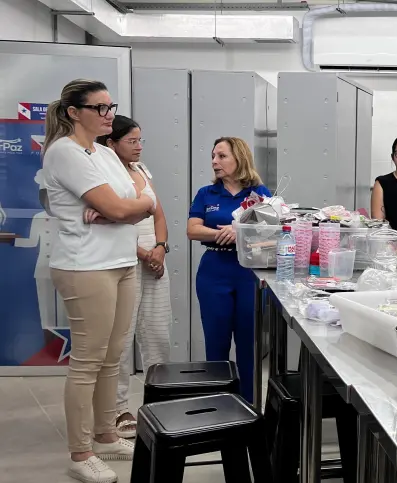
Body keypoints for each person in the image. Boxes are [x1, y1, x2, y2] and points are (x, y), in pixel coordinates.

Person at [41, 79, 155, 483]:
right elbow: (124, 206)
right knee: (88, 360)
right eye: (100, 108)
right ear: (74, 112)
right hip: (85, 266)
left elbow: (145, 196)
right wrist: (121, 210)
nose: (109, 115)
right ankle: (81, 452)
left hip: (121, 261)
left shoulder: (104, 152)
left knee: (113, 356)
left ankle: (106, 435)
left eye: (111, 107)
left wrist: (122, 210)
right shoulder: (64, 153)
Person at [98, 115, 172, 438]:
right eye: (132, 141)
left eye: (140, 140)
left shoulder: (142, 170)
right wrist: (143, 253)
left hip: (155, 261)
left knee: (157, 331)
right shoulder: (104, 175)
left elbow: (159, 214)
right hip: (124, 259)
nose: (139, 146)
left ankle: (160, 400)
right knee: (121, 337)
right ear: (111, 143)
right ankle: (117, 408)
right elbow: (112, 220)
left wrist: (161, 248)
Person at [188, 137, 271, 404]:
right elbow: (192, 230)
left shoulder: (259, 194)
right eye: (213, 156)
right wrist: (223, 234)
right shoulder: (206, 193)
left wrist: (240, 233)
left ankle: (248, 404)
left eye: (222, 156)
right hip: (214, 271)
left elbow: (272, 234)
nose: (215, 161)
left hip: (249, 273)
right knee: (216, 342)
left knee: (248, 343)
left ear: (239, 158)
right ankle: (218, 403)